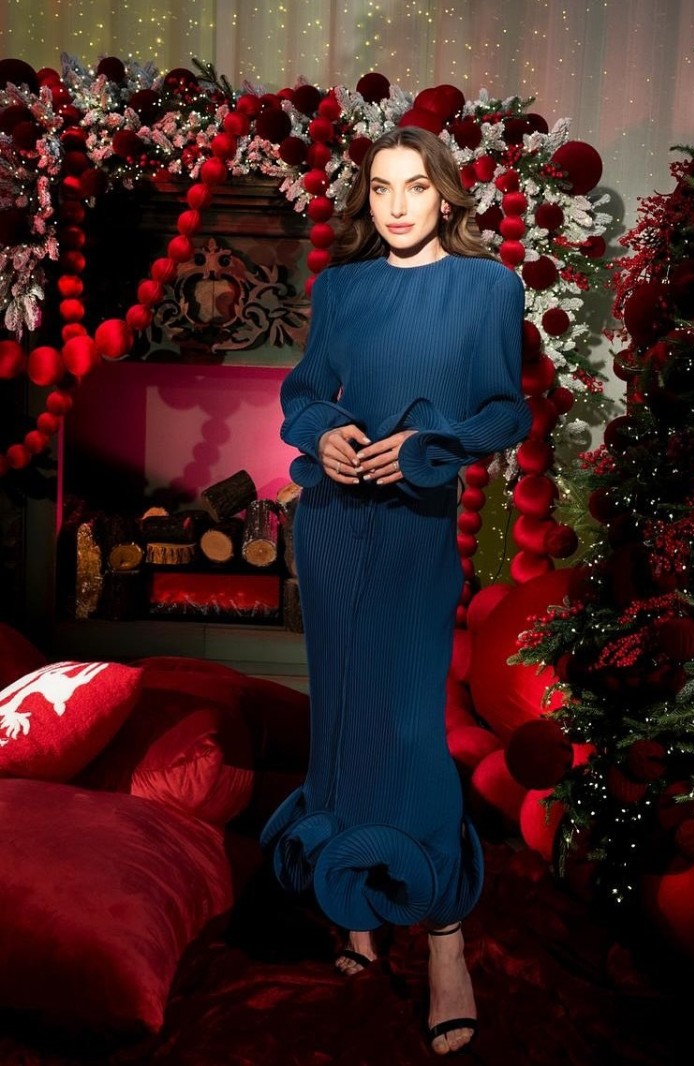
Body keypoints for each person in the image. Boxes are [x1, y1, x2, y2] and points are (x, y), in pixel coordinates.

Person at [260, 125, 532, 1056]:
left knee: (410, 726)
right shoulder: (343, 288)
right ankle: (355, 901)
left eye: (417, 186)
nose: (399, 206)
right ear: (365, 198)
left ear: (447, 196)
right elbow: (303, 391)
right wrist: (323, 432)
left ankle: (446, 941)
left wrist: (427, 445)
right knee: (341, 719)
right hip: (334, 525)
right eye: (382, 188)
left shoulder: (488, 287)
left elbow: (505, 410)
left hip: (416, 528)